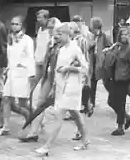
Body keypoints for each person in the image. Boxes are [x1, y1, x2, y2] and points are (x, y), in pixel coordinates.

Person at [35, 23, 90, 156]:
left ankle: (47, 146)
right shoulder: (60, 49)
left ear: (67, 34)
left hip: (71, 87)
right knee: (75, 114)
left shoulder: (75, 49)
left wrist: (69, 68)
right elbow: (56, 70)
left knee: (58, 115)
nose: (58, 37)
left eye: (60, 34)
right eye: (57, 34)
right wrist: (54, 86)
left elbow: (85, 68)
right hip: (61, 86)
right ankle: (85, 140)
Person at [19, 17, 61, 143]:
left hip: (60, 81)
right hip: (48, 77)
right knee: (40, 104)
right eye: (49, 29)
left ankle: (82, 132)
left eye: (52, 29)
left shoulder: (64, 46)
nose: (51, 32)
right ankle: (33, 133)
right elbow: (46, 62)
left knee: (69, 111)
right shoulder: (51, 43)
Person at [0, 15, 35, 136]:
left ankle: (37, 119)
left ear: (22, 26)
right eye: (12, 24)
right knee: (6, 99)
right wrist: (7, 67)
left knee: (23, 103)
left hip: (22, 73)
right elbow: (9, 56)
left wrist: (31, 74)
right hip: (11, 73)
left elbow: (30, 57)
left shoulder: (28, 40)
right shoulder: (10, 38)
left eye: (17, 24)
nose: (14, 26)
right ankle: (6, 127)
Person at [104, 27, 130, 135]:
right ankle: (127, 117)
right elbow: (111, 60)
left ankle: (120, 127)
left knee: (120, 103)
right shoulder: (117, 47)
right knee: (111, 101)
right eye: (123, 34)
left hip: (124, 80)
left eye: (126, 34)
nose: (124, 36)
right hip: (114, 78)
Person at [84, 17, 112, 117]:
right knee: (92, 84)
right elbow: (87, 47)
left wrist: (105, 53)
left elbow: (110, 46)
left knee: (106, 84)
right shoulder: (91, 36)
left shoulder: (103, 35)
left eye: (91, 25)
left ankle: (114, 99)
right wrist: (91, 45)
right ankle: (91, 104)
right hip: (93, 62)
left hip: (101, 63)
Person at [34, 10, 51, 90]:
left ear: (46, 18)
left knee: (44, 85)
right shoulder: (39, 29)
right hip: (37, 61)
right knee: (32, 83)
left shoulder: (51, 30)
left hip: (46, 62)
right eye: (37, 17)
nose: (38, 19)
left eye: (40, 17)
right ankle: (27, 101)